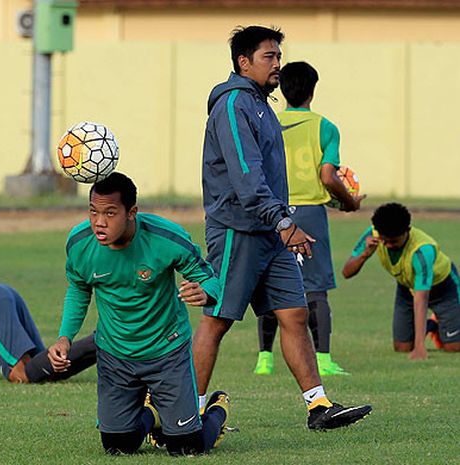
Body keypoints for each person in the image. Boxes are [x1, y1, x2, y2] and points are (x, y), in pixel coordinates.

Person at [194, 25, 371, 430]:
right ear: (244, 61)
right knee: (217, 319)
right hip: (239, 229)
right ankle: (190, 411)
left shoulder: (260, 104)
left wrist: (279, 223)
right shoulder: (234, 105)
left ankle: (318, 406)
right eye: (268, 56)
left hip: (271, 232)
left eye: (278, 56)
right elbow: (245, 175)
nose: (278, 63)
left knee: (293, 314)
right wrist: (283, 220)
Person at [48, 172, 230, 456]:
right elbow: (79, 289)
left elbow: (209, 277)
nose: (99, 222)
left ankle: (217, 411)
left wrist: (206, 293)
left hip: (166, 349)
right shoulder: (79, 243)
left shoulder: (166, 237)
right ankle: (153, 414)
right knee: (118, 446)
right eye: (93, 212)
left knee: (185, 448)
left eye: (110, 213)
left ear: (131, 212)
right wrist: (64, 338)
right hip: (115, 354)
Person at [253, 61, 365, 376]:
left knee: (271, 285)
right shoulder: (325, 127)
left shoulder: (269, 122)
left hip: (273, 212)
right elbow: (328, 177)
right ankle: (325, 360)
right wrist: (350, 202)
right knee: (315, 289)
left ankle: (264, 359)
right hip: (310, 213)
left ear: (282, 88)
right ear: (312, 91)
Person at [342, 202, 460, 358]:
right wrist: (364, 254)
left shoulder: (423, 250)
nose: (388, 245)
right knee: (402, 347)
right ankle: (432, 325)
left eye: (394, 241)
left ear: (408, 231)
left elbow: (421, 298)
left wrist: (419, 347)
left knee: (453, 347)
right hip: (406, 287)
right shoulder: (373, 234)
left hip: (443, 288)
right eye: (385, 240)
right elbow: (346, 273)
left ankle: (441, 323)